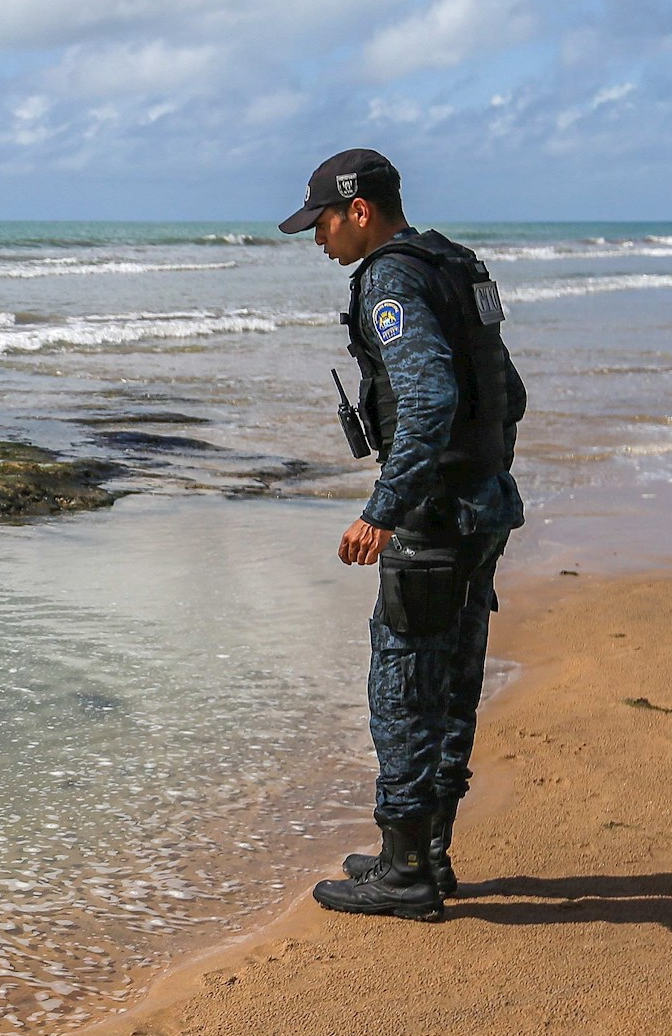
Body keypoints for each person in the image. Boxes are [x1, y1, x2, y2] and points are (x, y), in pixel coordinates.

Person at [278, 148, 526, 920]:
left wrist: (384, 509)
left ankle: (407, 872)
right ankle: (426, 854)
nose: (316, 238)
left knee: (403, 693)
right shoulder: (455, 263)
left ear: (359, 210)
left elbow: (427, 400)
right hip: (484, 502)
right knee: (450, 687)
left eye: (320, 221)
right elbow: (508, 390)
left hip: (434, 516)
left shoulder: (389, 277)